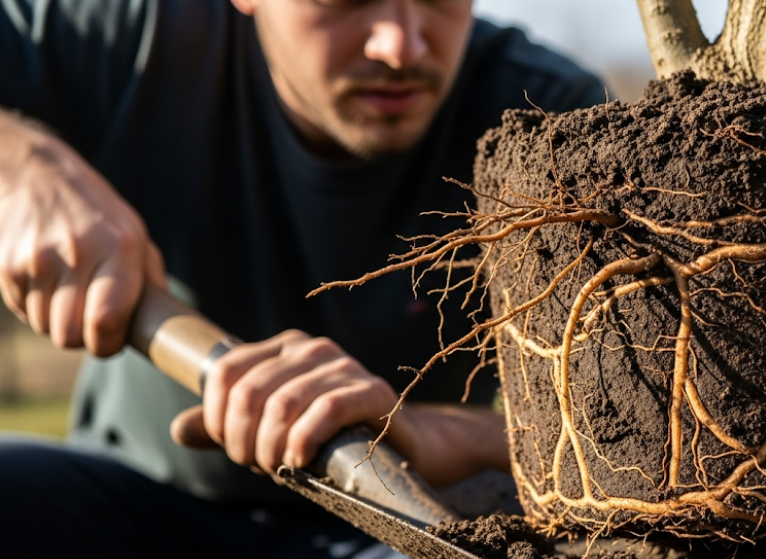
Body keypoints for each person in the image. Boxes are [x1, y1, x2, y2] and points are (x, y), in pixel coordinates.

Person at [0, 0, 606, 557]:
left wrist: (433, 432)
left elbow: (636, 435)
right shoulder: (135, 32)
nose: (400, 45)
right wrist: (20, 163)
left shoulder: (552, 124)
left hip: (392, 527)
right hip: (127, 502)